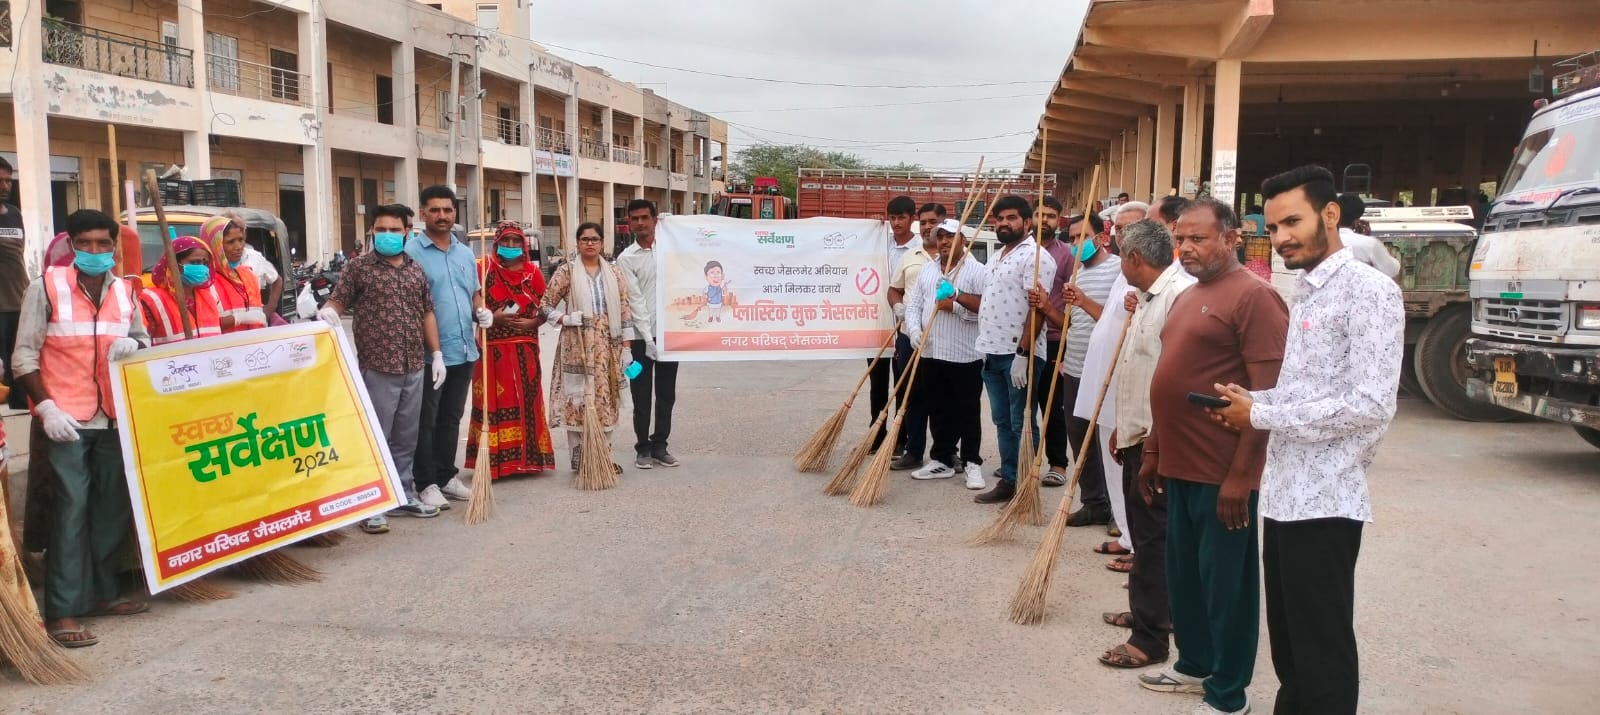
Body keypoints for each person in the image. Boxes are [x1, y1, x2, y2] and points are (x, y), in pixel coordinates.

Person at [1211, 166, 1404, 715]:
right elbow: (1304, 393)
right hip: (1287, 495)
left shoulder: (1368, 291)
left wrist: (1266, 417)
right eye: (1273, 228)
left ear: (1331, 214)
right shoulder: (1309, 292)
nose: (1282, 237)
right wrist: (1254, 407)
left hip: (1328, 498)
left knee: (1322, 656)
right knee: (1293, 653)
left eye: (1292, 221)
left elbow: (1370, 404)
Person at [1135, 199, 1288, 715]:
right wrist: (1154, 449)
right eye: (1180, 239)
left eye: (1199, 239)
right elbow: (1170, 381)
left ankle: (1228, 693)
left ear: (1232, 238)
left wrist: (1241, 478)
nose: (1186, 249)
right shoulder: (1187, 295)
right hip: (1179, 464)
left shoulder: (1256, 298)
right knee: (1186, 577)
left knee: (1228, 589)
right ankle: (1194, 664)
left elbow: (1267, 400)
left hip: (1221, 471)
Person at [12, 209, 151, 648]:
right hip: (65, 419)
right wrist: (47, 407)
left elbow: (141, 339)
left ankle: (103, 594)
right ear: (71, 245)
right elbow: (24, 357)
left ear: (114, 246)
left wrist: (137, 345)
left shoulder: (126, 291)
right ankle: (63, 610)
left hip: (112, 416)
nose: (94, 251)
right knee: (70, 512)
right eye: (85, 243)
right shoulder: (46, 287)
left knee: (110, 508)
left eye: (103, 244)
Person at [1096, 218, 1195, 672]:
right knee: (1151, 533)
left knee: (1153, 538)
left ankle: (1150, 638)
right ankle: (1154, 613)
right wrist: (1125, 426)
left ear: (1135, 258)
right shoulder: (1151, 297)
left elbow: (1174, 380)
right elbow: (1140, 370)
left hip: (1160, 444)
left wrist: (1150, 441)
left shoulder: (1176, 297)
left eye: (1121, 254)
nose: (1119, 263)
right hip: (1141, 435)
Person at [321, 204, 445, 533]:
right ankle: (372, 503)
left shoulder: (416, 270)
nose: (387, 236)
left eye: (394, 230)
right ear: (372, 232)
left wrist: (437, 354)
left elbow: (427, 313)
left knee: (406, 437)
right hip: (378, 367)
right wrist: (328, 312)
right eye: (381, 230)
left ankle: (402, 494)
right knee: (377, 437)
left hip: (414, 365)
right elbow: (338, 300)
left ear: (408, 231)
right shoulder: (359, 268)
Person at [407, 185, 494, 509]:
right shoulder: (412, 254)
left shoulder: (464, 253)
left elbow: (474, 293)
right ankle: (425, 481)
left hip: (464, 350)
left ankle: (445, 475)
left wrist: (481, 312)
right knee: (425, 419)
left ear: (454, 212)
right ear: (423, 213)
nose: (442, 215)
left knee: (451, 417)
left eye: (447, 209)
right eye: (435, 209)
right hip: (431, 354)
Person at [971, 195, 1056, 504]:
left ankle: (1024, 482)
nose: (1004, 223)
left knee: (1022, 421)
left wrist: (1023, 353)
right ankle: (1009, 479)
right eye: (999, 218)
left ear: (1027, 222)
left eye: (1011, 218)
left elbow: (1039, 309)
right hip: (992, 353)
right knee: (1002, 421)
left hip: (1019, 354)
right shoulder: (998, 257)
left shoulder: (1035, 258)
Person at [465, 220, 557, 479]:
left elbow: (545, 307)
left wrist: (533, 322)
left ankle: (528, 459)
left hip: (524, 347)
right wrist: (493, 317)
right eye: (506, 241)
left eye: (516, 241)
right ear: (497, 243)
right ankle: (494, 461)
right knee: (491, 402)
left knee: (527, 399)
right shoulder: (483, 269)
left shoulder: (533, 273)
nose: (511, 245)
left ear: (524, 244)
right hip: (492, 348)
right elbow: (472, 306)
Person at [541, 222, 634, 474]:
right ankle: (579, 456)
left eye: (594, 239)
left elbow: (625, 310)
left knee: (606, 399)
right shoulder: (567, 272)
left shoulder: (614, 273)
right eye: (584, 239)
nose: (590, 243)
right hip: (577, 345)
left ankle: (603, 455)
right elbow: (545, 305)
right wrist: (564, 318)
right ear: (577, 243)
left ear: (602, 243)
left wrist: (627, 348)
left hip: (607, 346)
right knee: (577, 400)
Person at [903, 219, 988, 489]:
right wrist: (914, 330)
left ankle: (972, 462)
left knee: (967, 411)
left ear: (963, 240)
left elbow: (986, 310)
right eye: (940, 237)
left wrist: (958, 307)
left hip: (965, 355)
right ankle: (942, 459)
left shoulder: (977, 271)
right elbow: (914, 304)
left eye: (951, 236)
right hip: (932, 351)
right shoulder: (928, 270)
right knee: (938, 409)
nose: (945, 242)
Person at [618, 198, 680, 469]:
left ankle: (660, 446)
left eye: (645, 217)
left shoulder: (672, 250)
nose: (640, 223)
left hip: (670, 335)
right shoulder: (626, 259)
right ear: (629, 223)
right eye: (635, 219)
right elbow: (635, 300)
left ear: (655, 220)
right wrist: (648, 338)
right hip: (641, 339)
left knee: (666, 394)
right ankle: (642, 448)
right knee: (641, 395)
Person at [1024, 196, 1076, 489]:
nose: (1045, 220)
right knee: (1023, 406)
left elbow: (1073, 299)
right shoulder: (1020, 250)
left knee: (1052, 404)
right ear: (1030, 218)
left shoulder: (1066, 255)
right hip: (1022, 339)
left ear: (1059, 220)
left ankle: (1058, 463)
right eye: (1040, 214)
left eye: (1052, 216)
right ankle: (1024, 461)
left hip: (1054, 339)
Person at [887, 195, 936, 471]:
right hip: (909, 336)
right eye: (925, 222)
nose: (929, 228)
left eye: (934, 223)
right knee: (911, 394)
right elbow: (894, 289)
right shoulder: (910, 255)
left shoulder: (955, 256)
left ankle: (945, 452)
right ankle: (913, 450)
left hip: (943, 340)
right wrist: (899, 307)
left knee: (942, 397)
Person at [869, 196, 921, 454]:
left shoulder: (920, 249)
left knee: (902, 383)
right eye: (892, 217)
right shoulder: (879, 243)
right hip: (876, 322)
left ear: (913, 218)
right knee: (877, 383)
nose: (896, 223)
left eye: (902, 217)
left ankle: (901, 437)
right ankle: (877, 433)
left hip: (905, 327)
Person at [137, 236, 225, 344]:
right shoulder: (151, 300)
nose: (202, 267)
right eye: (195, 262)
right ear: (174, 264)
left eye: (205, 263)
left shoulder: (209, 298)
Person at [202, 216, 270, 333]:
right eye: (230, 242)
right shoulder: (204, 282)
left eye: (241, 239)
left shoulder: (249, 275)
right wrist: (238, 318)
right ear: (215, 244)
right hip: (224, 349)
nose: (238, 247)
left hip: (255, 347)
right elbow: (201, 326)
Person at [0, 156, 25, 409]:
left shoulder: (15, 215)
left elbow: (18, 254)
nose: (5, 186)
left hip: (19, 301)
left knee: (19, 360)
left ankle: (20, 405)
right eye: (0, 181)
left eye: (8, 181)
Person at [1333, 193, 1401, 278]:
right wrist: (1365, 237)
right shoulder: (1369, 244)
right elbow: (1392, 270)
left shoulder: (1320, 241)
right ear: (1357, 221)